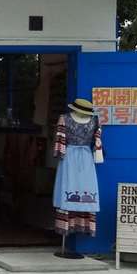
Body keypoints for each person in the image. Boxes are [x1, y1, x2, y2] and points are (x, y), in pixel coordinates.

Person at [52, 98, 103, 238]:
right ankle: (66, 225)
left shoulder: (95, 120)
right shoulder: (64, 118)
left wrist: (96, 151)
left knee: (87, 188)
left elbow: (97, 141)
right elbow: (60, 138)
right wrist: (60, 152)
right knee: (67, 185)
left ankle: (83, 224)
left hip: (86, 158)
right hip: (69, 157)